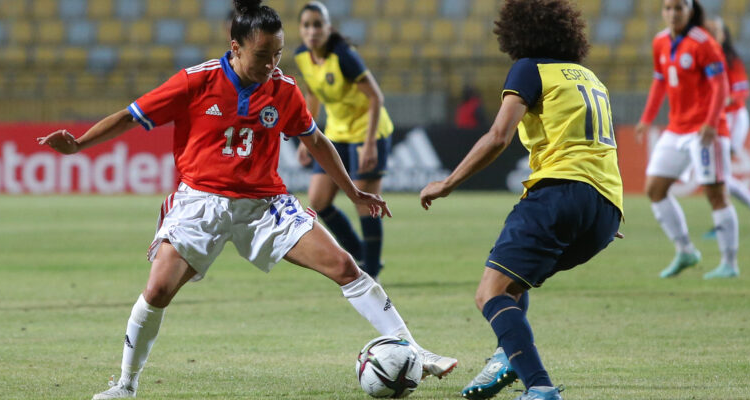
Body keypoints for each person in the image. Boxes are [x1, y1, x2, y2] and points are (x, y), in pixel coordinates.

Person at [37, 1, 456, 399]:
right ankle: (125, 385)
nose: (272, 64)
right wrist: (80, 144)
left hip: (265, 204)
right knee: (158, 290)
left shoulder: (284, 90)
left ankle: (415, 351)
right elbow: (132, 115)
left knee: (345, 266)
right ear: (234, 47)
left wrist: (353, 191)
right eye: (262, 55)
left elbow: (316, 140)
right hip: (201, 202)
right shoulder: (195, 82)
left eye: (278, 54)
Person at [419, 1, 623, 399]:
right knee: (513, 282)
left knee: (490, 293)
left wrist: (448, 182)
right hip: (605, 209)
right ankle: (506, 356)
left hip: (560, 192)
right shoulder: (589, 77)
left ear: (517, 33)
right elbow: (601, 147)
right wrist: (600, 210)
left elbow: (499, 135)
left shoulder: (530, 69)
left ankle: (540, 387)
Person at [636, 0, 740, 279]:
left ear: (689, 10)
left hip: (706, 130)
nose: (672, 14)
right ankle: (685, 251)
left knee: (716, 194)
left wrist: (710, 122)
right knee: (655, 189)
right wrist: (647, 118)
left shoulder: (702, 42)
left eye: (678, 8)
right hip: (676, 128)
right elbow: (660, 81)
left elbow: (721, 85)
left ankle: (729, 263)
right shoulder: (660, 41)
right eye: (667, 8)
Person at [293, 1, 394, 279]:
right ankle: (359, 252)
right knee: (319, 200)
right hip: (336, 133)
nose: (312, 31)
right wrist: (305, 139)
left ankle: (371, 271)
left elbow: (375, 97)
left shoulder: (344, 56)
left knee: (364, 201)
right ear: (300, 30)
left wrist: (371, 144)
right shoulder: (302, 56)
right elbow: (312, 96)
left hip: (367, 131)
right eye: (307, 25)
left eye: (317, 25)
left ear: (328, 28)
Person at [703, 16, 750, 239]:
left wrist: (724, 99)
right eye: (709, 29)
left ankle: (734, 218)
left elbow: (742, 92)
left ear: (724, 35)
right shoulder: (704, 58)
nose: (712, 33)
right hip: (717, 120)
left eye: (717, 30)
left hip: (733, 119)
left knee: (719, 174)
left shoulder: (731, 60)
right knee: (718, 174)